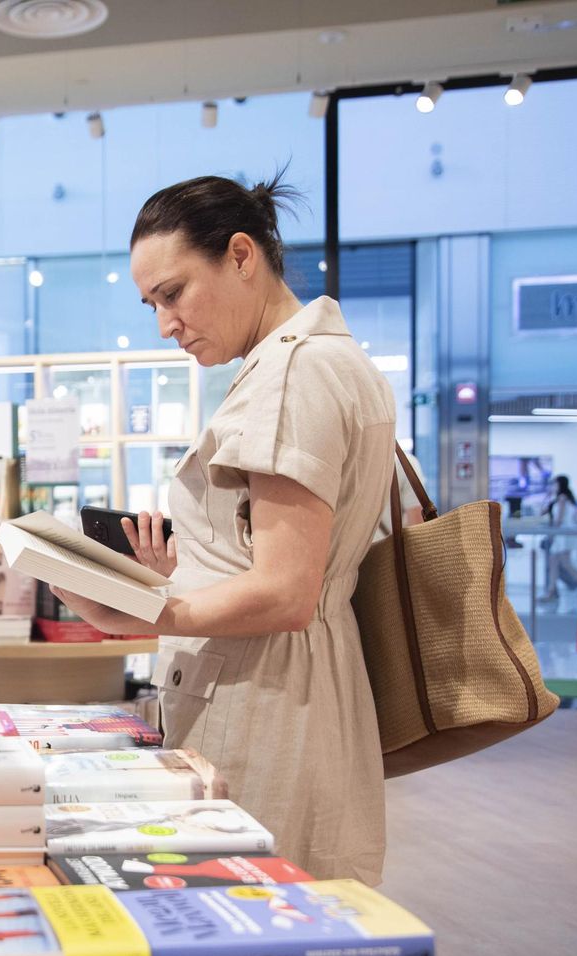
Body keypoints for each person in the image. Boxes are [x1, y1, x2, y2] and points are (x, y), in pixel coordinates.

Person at [48, 174, 396, 883]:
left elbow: (284, 592)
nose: (165, 324)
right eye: (151, 303)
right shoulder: (323, 360)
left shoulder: (292, 375)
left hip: (267, 697)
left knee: (251, 931)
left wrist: (145, 610)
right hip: (298, 688)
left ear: (241, 255)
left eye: (173, 294)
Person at [539, 474, 577, 602]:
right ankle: (551, 591)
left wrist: (553, 533)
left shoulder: (563, 498)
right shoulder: (557, 499)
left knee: (565, 563)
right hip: (560, 535)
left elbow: (559, 519)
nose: (552, 486)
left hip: (563, 535)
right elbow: (542, 512)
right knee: (554, 562)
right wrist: (547, 496)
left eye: (554, 484)